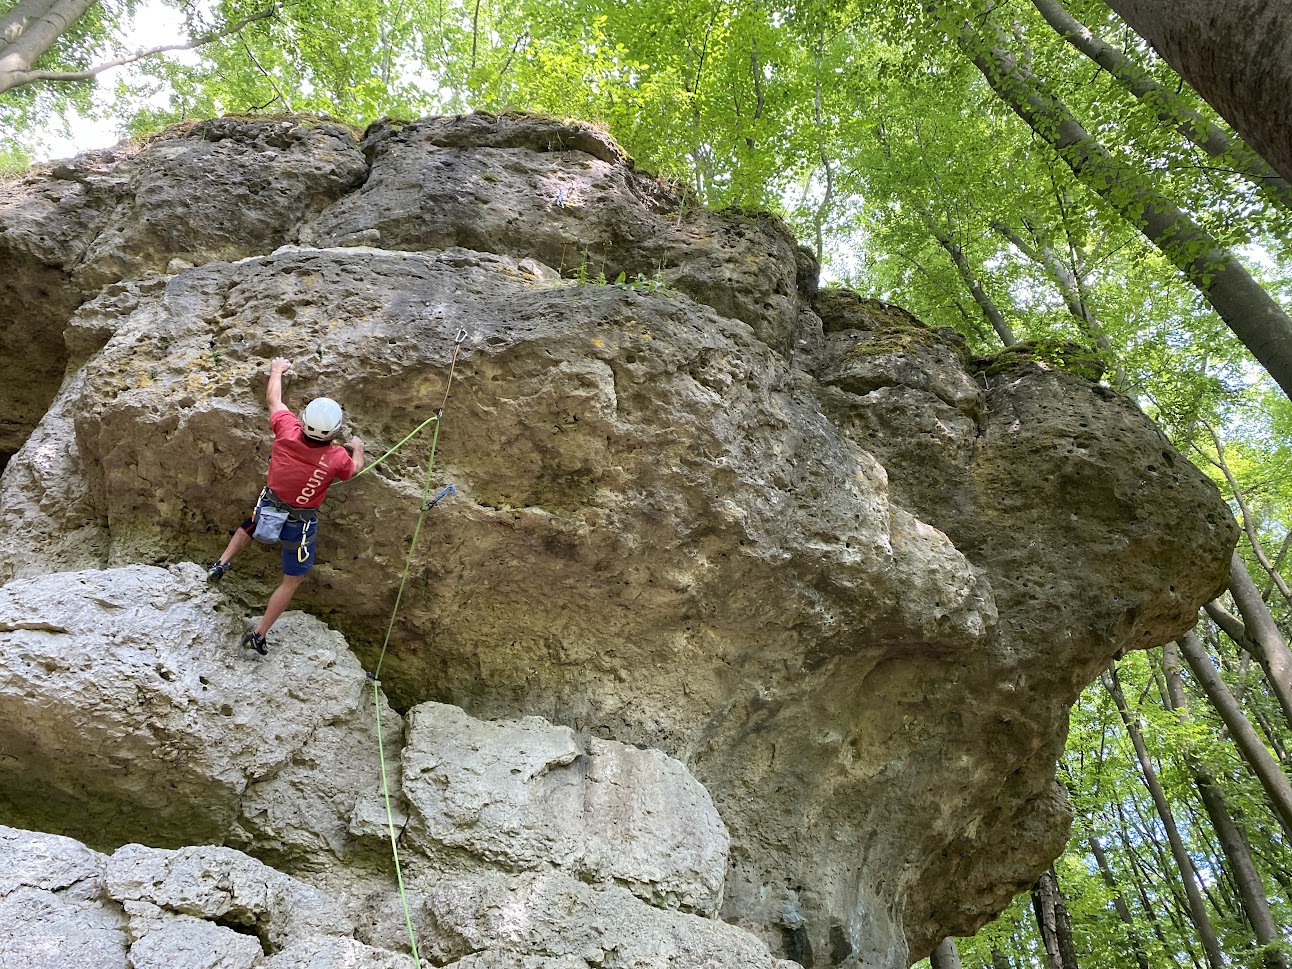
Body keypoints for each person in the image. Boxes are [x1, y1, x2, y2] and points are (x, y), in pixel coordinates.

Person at [206, 357, 364, 654]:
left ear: (303, 420)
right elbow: (353, 470)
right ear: (334, 433)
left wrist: (277, 369)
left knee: (250, 525)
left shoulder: (287, 430)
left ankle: (221, 563)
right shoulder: (337, 458)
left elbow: (273, 399)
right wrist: (358, 449)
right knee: (292, 581)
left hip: (270, 504)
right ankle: (259, 634)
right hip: (300, 523)